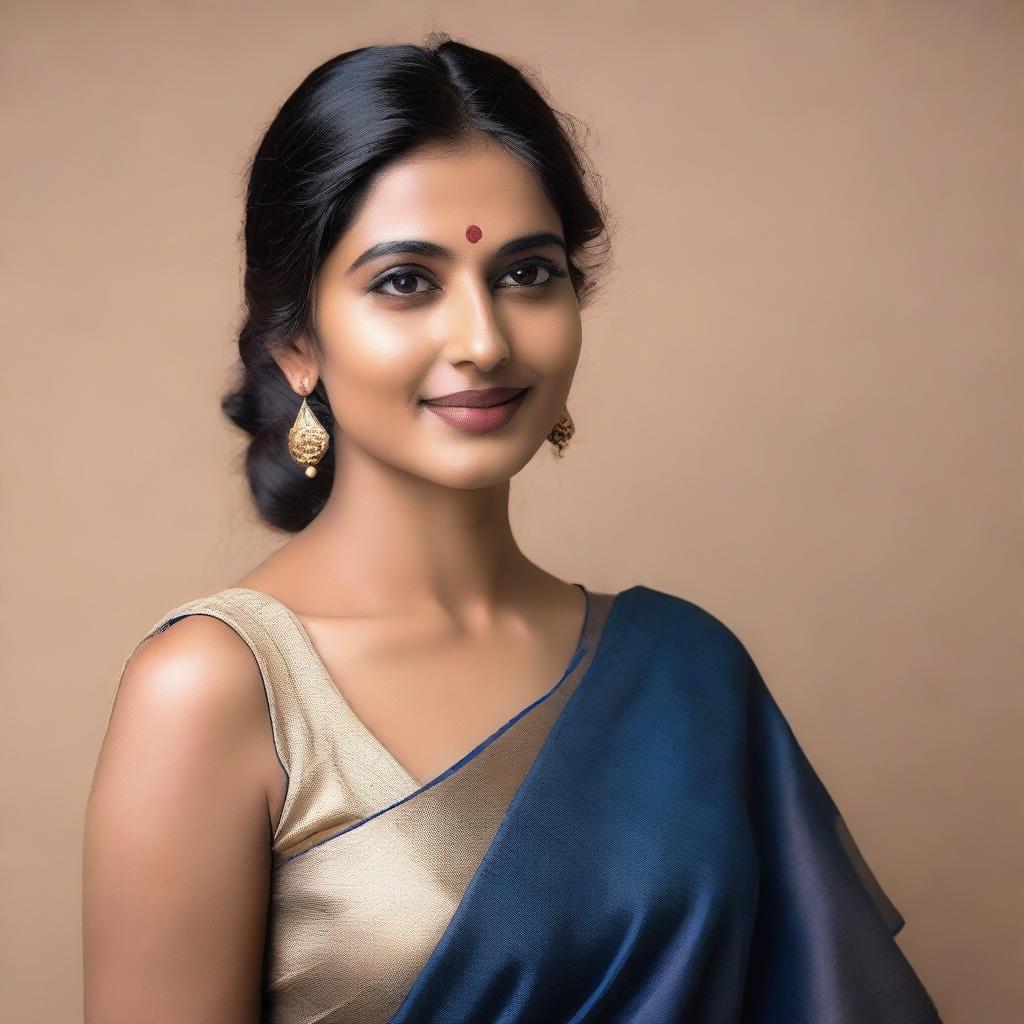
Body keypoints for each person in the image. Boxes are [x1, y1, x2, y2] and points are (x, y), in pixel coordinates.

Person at [82, 32, 943, 1024]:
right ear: (297, 344)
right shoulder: (216, 691)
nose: (484, 341)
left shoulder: (688, 669)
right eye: (406, 281)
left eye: (527, 275)